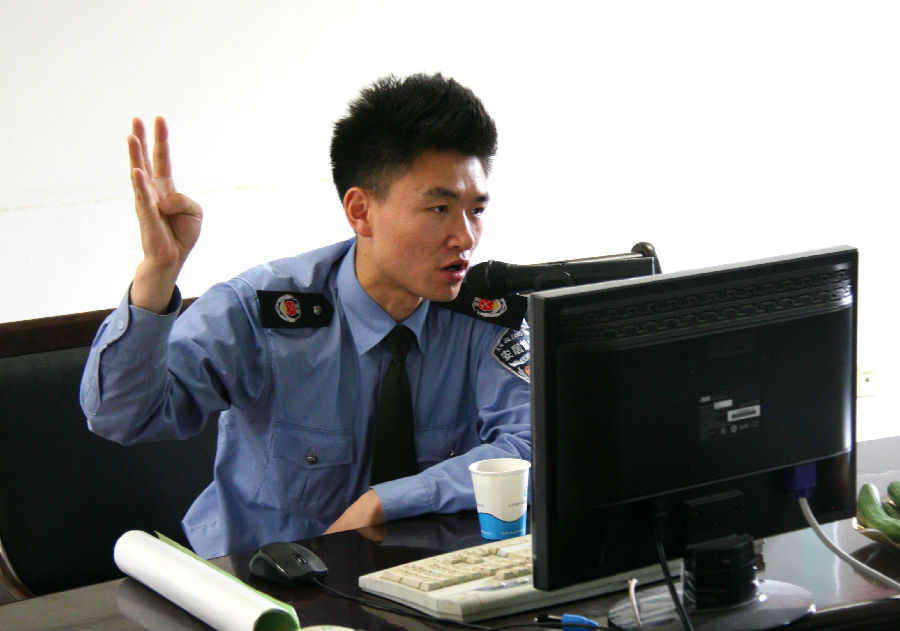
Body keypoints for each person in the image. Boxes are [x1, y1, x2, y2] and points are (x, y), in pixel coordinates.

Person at [80, 73, 531, 559]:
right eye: (440, 208)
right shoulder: (262, 312)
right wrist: (157, 274)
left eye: (476, 210)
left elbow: (534, 442)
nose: (465, 237)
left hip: (428, 572)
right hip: (264, 577)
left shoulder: (485, 316)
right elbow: (124, 419)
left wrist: (392, 499)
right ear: (360, 211)